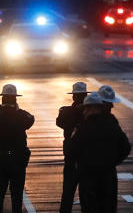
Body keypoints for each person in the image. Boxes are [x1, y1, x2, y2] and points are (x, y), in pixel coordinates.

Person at [65, 92, 130, 213]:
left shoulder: (83, 128)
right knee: (108, 206)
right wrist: (112, 161)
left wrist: (82, 163)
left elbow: (70, 150)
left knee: (89, 207)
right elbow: (125, 147)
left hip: (88, 176)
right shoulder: (111, 124)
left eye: (86, 108)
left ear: (92, 109)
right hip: (108, 174)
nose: (84, 112)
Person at [0, 84, 34, 213]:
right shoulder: (21, 116)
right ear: (15, 99)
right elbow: (31, 119)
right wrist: (16, 110)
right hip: (17, 158)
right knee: (17, 194)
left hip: (0, 157)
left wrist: (0, 108)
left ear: (2, 98)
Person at [55, 82, 86, 213]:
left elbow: (60, 122)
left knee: (68, 192)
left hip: (74, 158)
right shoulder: (89, 112)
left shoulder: (66, 111)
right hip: (83, 158)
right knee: (85, 194)